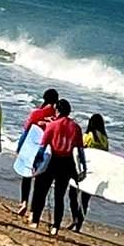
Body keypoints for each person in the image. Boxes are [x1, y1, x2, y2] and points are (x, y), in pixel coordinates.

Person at [29, 99, 86, 235]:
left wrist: (35, 164)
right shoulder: (76, 128)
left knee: (41, 192)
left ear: (58, 111)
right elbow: (80, 151)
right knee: (59, 196)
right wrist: (84, 168)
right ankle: (55, 227)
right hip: (67, 163)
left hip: (52, 161)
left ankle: (35, 221)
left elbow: (42, 148)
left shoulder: (52, 125)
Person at [16, 89, 59, 216]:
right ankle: (34, 211)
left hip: (31, 150)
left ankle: (24, 202)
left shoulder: (36, 114)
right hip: (47, 152)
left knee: (26, 176)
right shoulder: (56, 118)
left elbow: (26, 133)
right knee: (40, 182)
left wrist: (19, 148)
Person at [67, 113, 109, 232]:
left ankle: (75, 217)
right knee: (85, 200)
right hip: (96, 171)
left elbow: (80, 151)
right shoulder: (104, 139)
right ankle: (78, 225)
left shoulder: (88, 136)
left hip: (83, 169)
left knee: (72, 194)